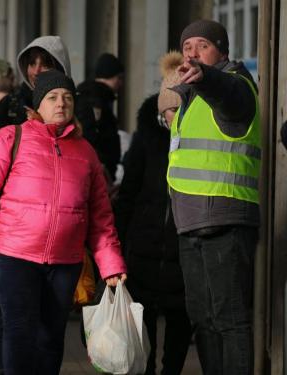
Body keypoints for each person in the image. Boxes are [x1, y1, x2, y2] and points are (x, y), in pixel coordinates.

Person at [0, 70, 127, 375]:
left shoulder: (86, 152)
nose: (61, 103)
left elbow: (101, 216)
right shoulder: (11, 138)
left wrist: (111, 264)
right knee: (19, 336)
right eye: (52, 97)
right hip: (16, 258)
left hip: (65, 263)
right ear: (37, 106)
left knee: (50, 340)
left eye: (67, 97)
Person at [168, 20, 260, 374]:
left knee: (230, 319)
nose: (192, 52)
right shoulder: (191, 98)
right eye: (187, 45)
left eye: (202, 44)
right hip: (191, 223)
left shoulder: (234, 85)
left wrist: (205, 76)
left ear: (221, 51)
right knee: (203, 320)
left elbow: (226, 94)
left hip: (225, 220)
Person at [115, 51, 192, 375]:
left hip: (181, 244)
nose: (177, 116)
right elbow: (129, 191)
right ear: (162, 110)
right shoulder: (147, 139)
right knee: (142, 321)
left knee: (179, 322)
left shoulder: (196, 138)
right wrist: (117, 245)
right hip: (146, 246)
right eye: (172, 110)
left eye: (182, 109)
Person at [12, 35, 96, 133]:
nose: (36, 71)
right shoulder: (12, 104)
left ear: (61, 68)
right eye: (32, 63)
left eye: (45, 65)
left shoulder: (80, 108)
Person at [77, 53, 124, 182]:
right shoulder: (94, 99)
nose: (121, 83)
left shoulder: (98, 97)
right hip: (98, 173)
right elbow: (88, 136)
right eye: (119, 78)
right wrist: (101, 165)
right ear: (110, 76)